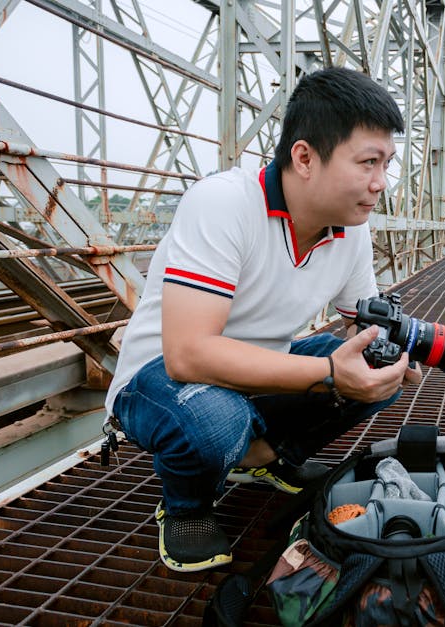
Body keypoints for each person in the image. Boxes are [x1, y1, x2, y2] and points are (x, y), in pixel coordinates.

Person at [105, 67, 420, 573]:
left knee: (378, 370)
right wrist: (330, 375)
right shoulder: (224, 203)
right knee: (215, 421)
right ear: (304, 158)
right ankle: (186, 506)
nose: (381, 182)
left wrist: (395, 356)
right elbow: (188, 356)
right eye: (368, 162)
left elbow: (364, 328)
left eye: (387, 163)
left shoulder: (351, 229)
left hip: (257, 369)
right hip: (160, 378)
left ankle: (262, 456)